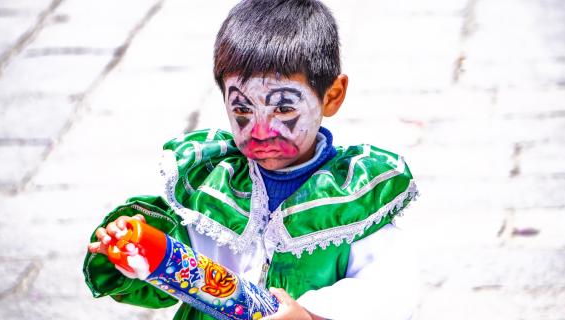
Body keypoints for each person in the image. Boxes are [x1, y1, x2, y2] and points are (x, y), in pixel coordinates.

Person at [84, 0, 419, 319]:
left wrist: (310, 313)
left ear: (331, 96)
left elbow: (389, 293)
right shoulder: (214, 186)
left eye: (284, 108)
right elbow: (174, 273)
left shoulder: (354, 198)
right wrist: (139, 248)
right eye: (242, 109)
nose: (260, 130)